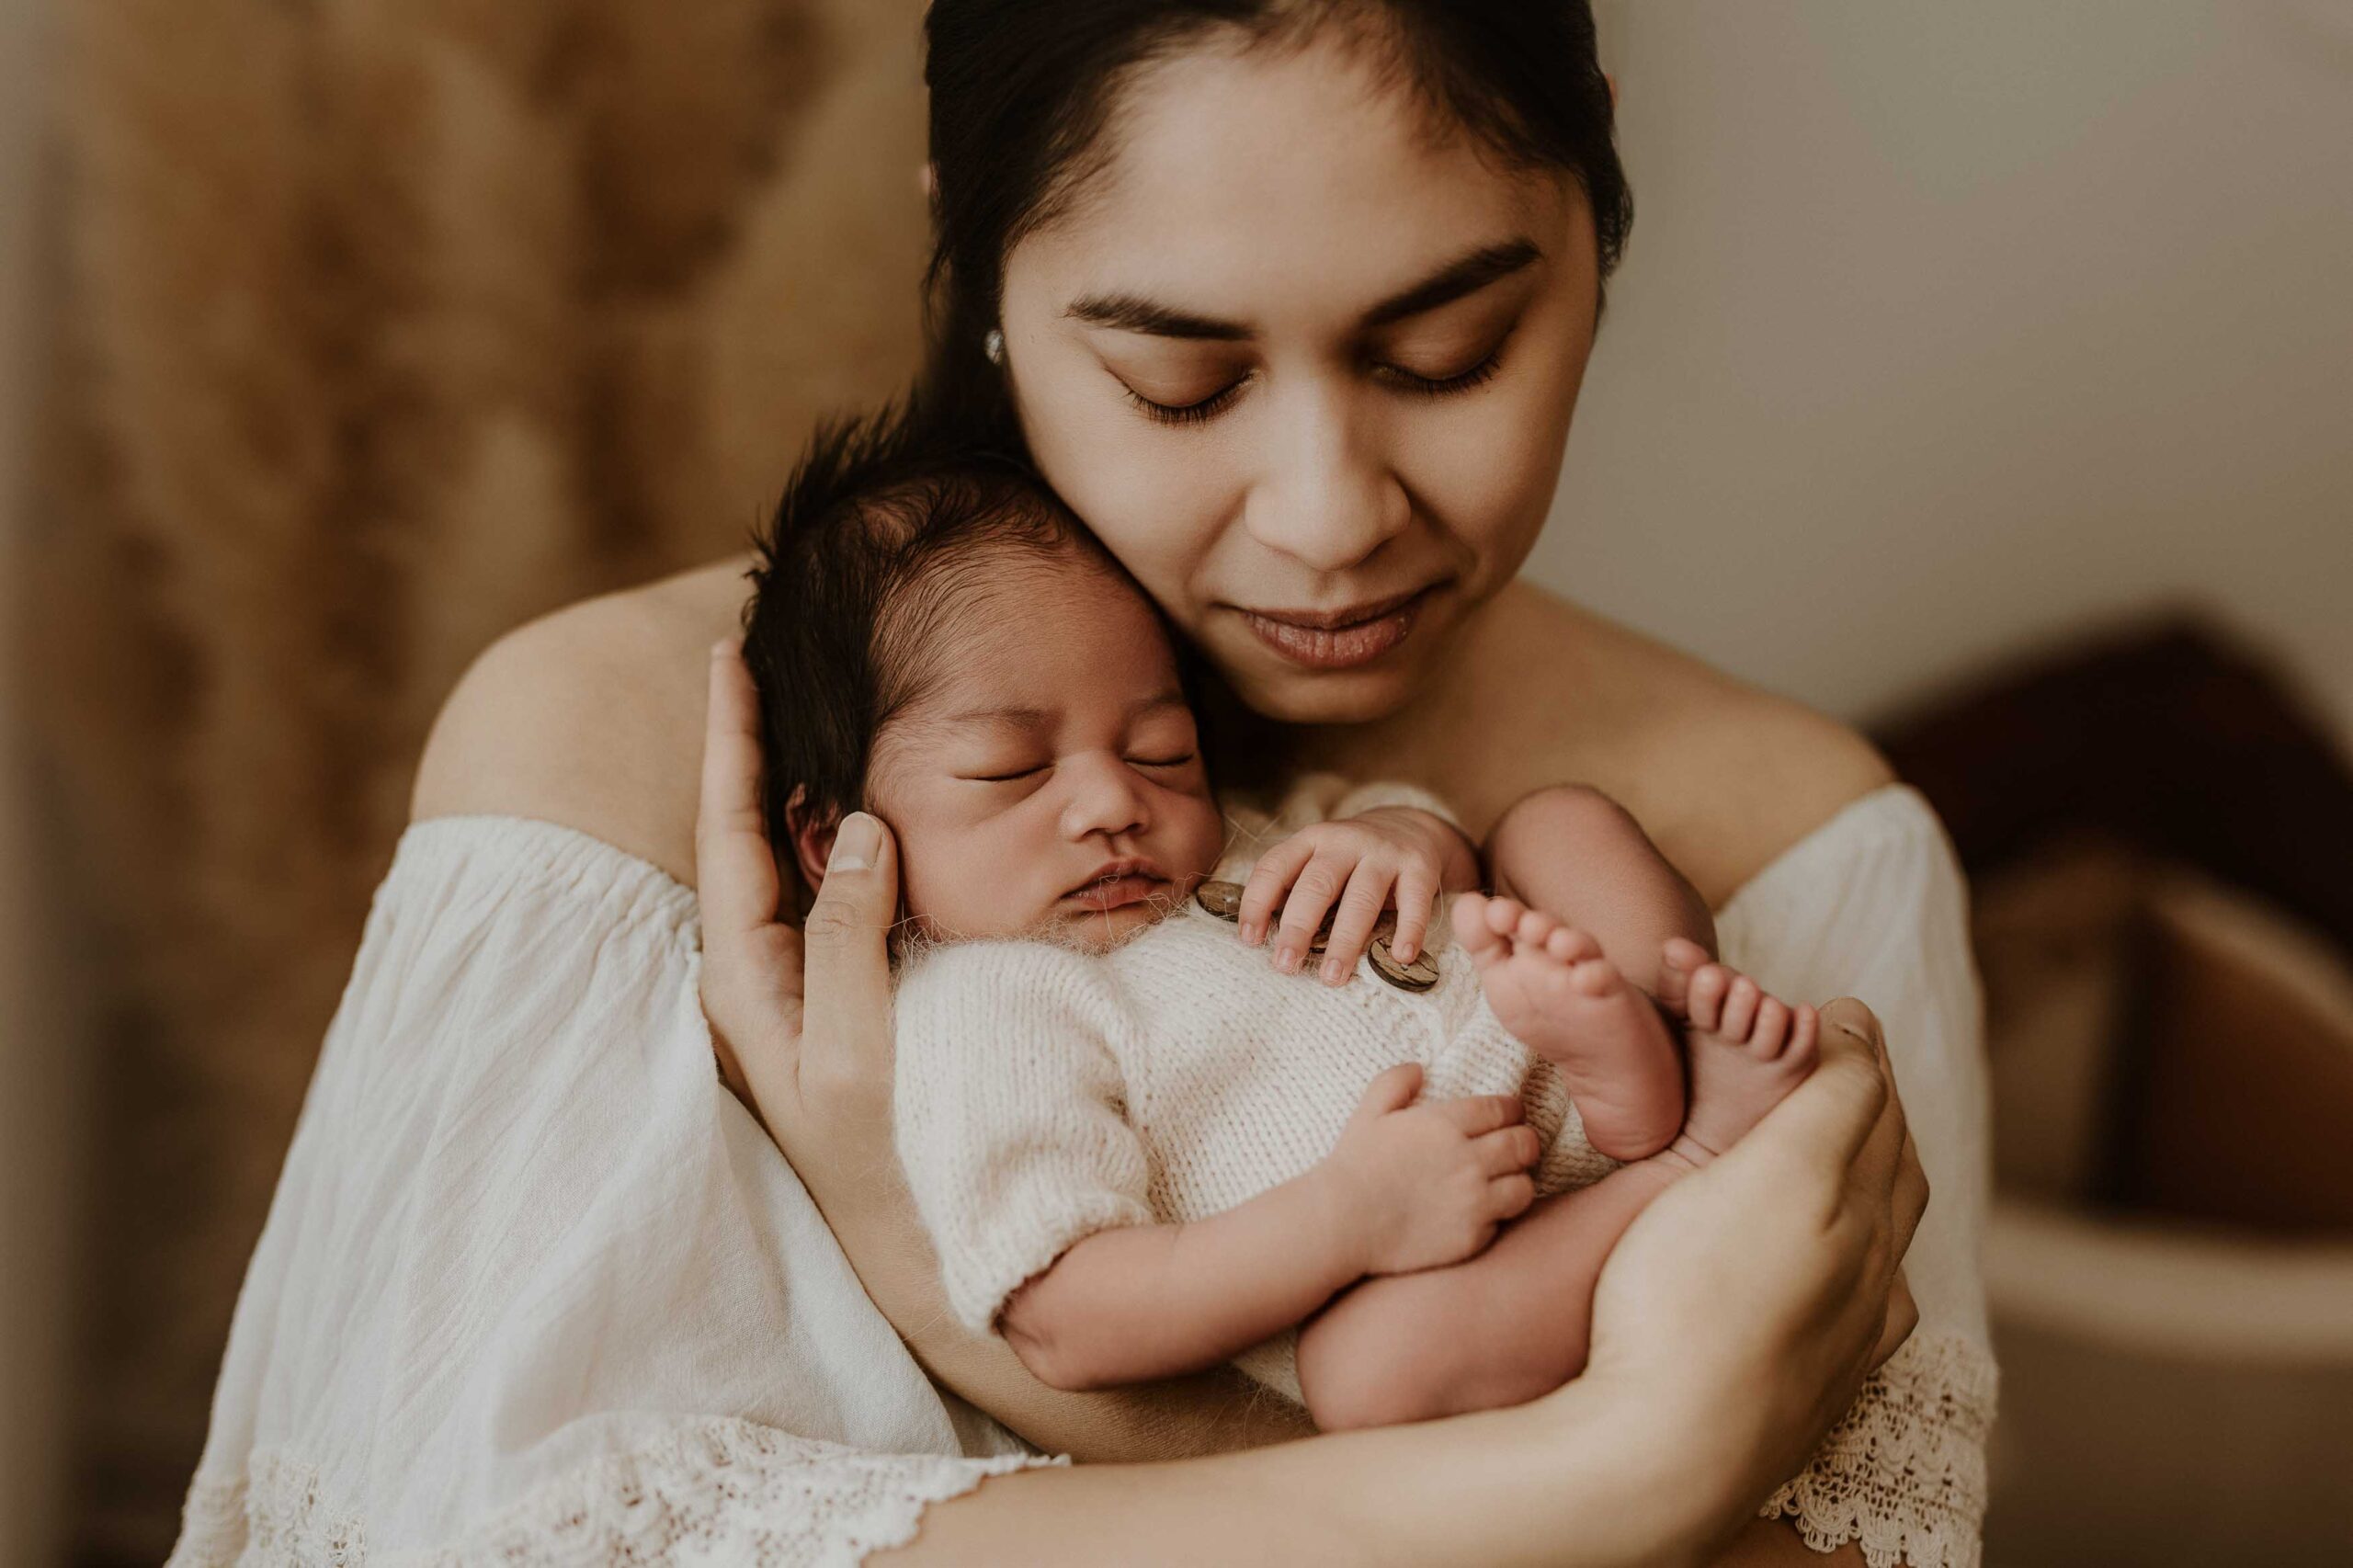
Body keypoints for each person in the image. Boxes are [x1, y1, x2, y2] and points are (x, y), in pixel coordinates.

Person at [172, 3, 1988, 1564]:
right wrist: (1617, 1470)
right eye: (1178, 382)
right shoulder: (612, 761)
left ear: (1597, 224)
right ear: (974, 263)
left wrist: (951, 1301)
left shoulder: (1794, 838)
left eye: (1444, 352)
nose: (1328, 512)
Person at [745, 409, 1834, 1431]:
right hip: (1452, 1262)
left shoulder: (1245, 838)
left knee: (1561, 823)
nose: (1114, 801)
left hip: (1560, 1040)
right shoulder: (985, 1002)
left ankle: (1666, 1043)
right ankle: (1685, 1156)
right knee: (1371, 1373)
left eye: (1160, 748)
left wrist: (1408, 839)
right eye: (1012, 769)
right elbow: (1068, 1314)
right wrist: (1349, 1214)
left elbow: (1444, 856)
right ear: (831, 839)